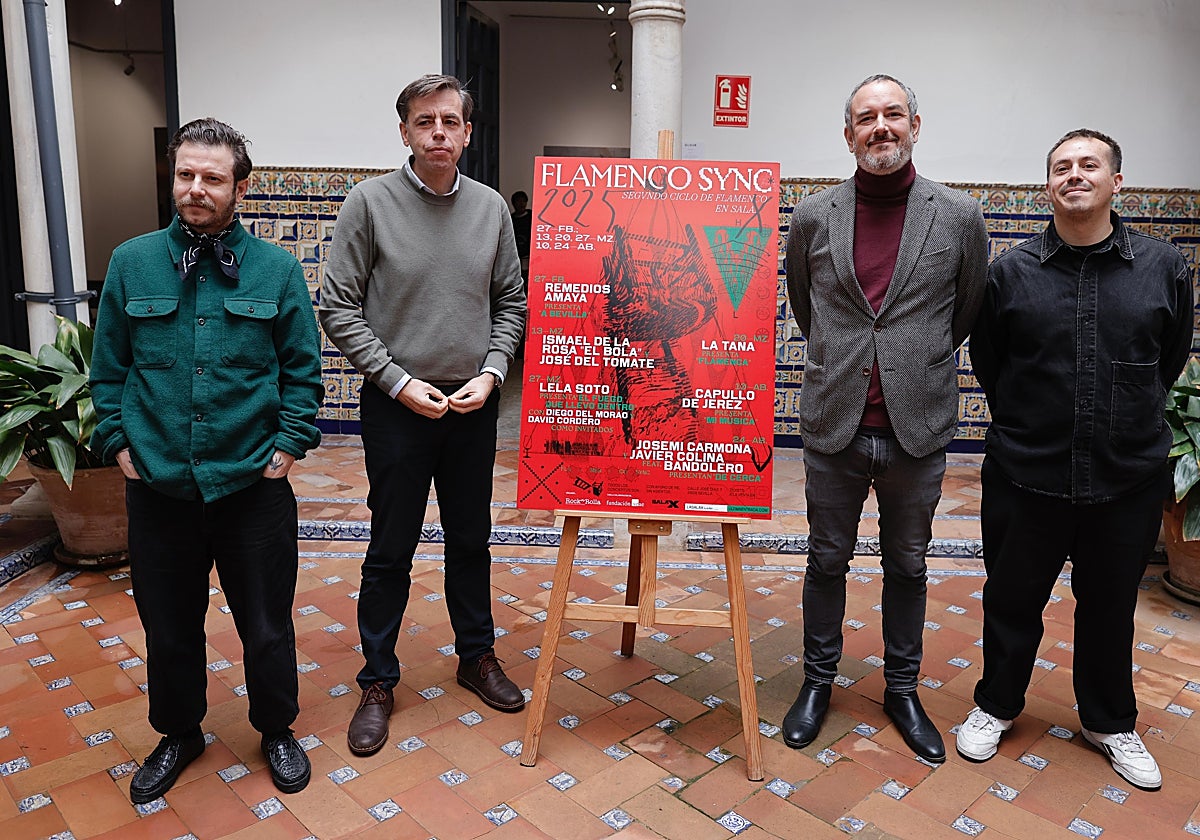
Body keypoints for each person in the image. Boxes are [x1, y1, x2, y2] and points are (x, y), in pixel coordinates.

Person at [90, 118, 324, 802]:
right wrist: (118, 443)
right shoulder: (132, 262)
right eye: (185, 175)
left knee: (266, 625)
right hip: (158, 486)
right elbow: (109, 369)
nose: (195, 189)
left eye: (212, 178)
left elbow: (302, 372)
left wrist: (287, 446)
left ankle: (276, 726)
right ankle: (178, 731)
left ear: (239, 187)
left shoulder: (277, 270)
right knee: (167, 627)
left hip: (252, 486)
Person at [956, 129, 1193, 791]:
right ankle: (996, 704)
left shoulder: (1163, 268)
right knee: (1010, 599)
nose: (1075, 174)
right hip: (1026, 473)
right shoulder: (1011, 272)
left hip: (1126, 477)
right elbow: (991, 365)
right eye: (1062, 166)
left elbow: (1166, 362)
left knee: (1110, 606)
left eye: (1090, 164)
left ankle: (1109, 721)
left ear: (1118, 182)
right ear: (1049, 185)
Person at [783, 74, 989, 762]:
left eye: (893, 114)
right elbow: (807, 307)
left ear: (915, 125)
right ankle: (818, 682)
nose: (881, 127)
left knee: (908, 565)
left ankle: (902, 688)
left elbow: (964, 312)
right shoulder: (814, 215)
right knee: (825, 561)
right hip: (835, 423)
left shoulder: (957, 217)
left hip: (917, 427)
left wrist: (909, 361)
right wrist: (848, 359)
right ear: (848, 135)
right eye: (866, 118)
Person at [321, 74, 527, 757]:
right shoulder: (369, 204)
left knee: (471, 540)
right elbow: (338, 307)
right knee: (390, 549)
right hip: (397, 407)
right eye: (423, 122)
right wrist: (396, 381)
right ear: (405, 132)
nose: (438, 132)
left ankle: (476, 658)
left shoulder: (492, 208)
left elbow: (511, 305)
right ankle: (378, 681)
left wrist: (494, 372)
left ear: (469, 133)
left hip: (471, 403)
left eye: (450, 121)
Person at [511, 189, 532, 283]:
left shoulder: (532, 216)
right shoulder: (511, 219)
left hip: (531, 256)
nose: (521, 204)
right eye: (518, 201)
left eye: (523, 201)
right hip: (516, 256)